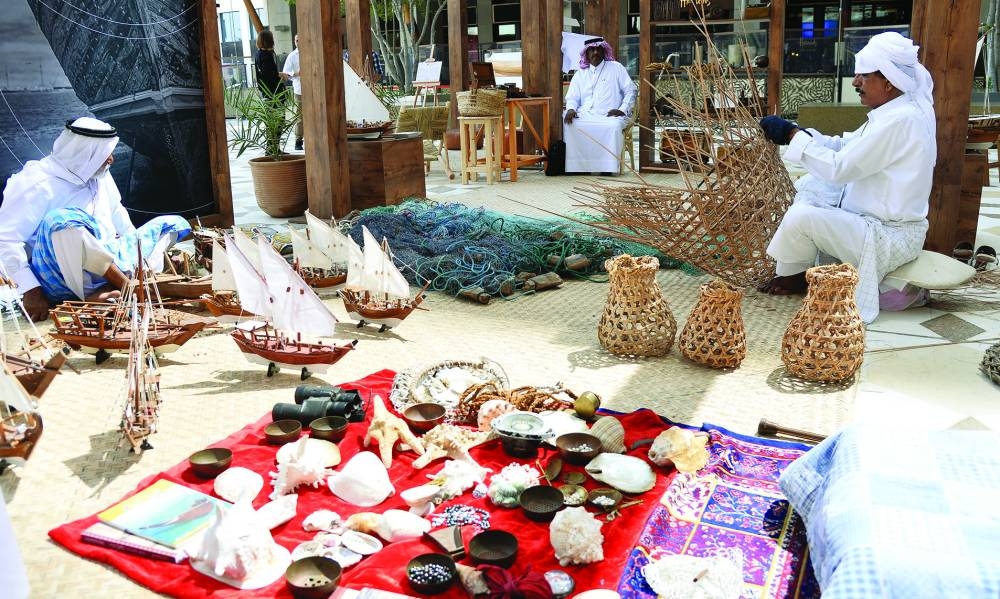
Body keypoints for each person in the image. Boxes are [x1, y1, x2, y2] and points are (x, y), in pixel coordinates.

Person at [757, 32, 936, 323]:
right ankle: (797, 272)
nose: (855, 83)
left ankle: (795, 278)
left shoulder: (902, 120)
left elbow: (840, 168)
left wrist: (790, 136)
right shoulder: (894, 113)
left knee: (802, 217)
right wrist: (798, 132)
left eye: (863, 77)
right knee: (811, 187)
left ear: (889, 81)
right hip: (874, 225)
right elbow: (844, 145)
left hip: (887, 236)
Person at [0, 117, 191, 322]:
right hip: (60, 277)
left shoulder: (99, 172)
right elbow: (6, 239)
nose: (111, 160)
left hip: (108, 262)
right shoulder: (35, 182)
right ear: (85, 154)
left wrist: (137, 250)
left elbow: (117, 213)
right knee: (62, 221)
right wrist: (31, 291)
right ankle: (126, 285)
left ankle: (113, 285)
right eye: (105, 153)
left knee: (173, 224)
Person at [563, 37, 636, 174]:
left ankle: (607, 168)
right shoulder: (580, 74)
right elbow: (572, 97)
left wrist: (622, 109)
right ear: (586, 53)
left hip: (610, 115)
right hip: (585, 114)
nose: (595, 53)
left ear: (604, 51)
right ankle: (579, 167)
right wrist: (571, 108)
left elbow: (631, 90)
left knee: (612, 126)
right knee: (568, 123)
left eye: (598, 49)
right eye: (591, 50)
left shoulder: (616, 68)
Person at [281, 34, 303, 151]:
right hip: (299, 89)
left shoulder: (311, 52)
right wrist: (296, 73)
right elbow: (286, 74)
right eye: (296, 40)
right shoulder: (292, 56)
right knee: (299, 116)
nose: (298, 42)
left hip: (313, 89)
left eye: (300, 40)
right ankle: (298, 141)